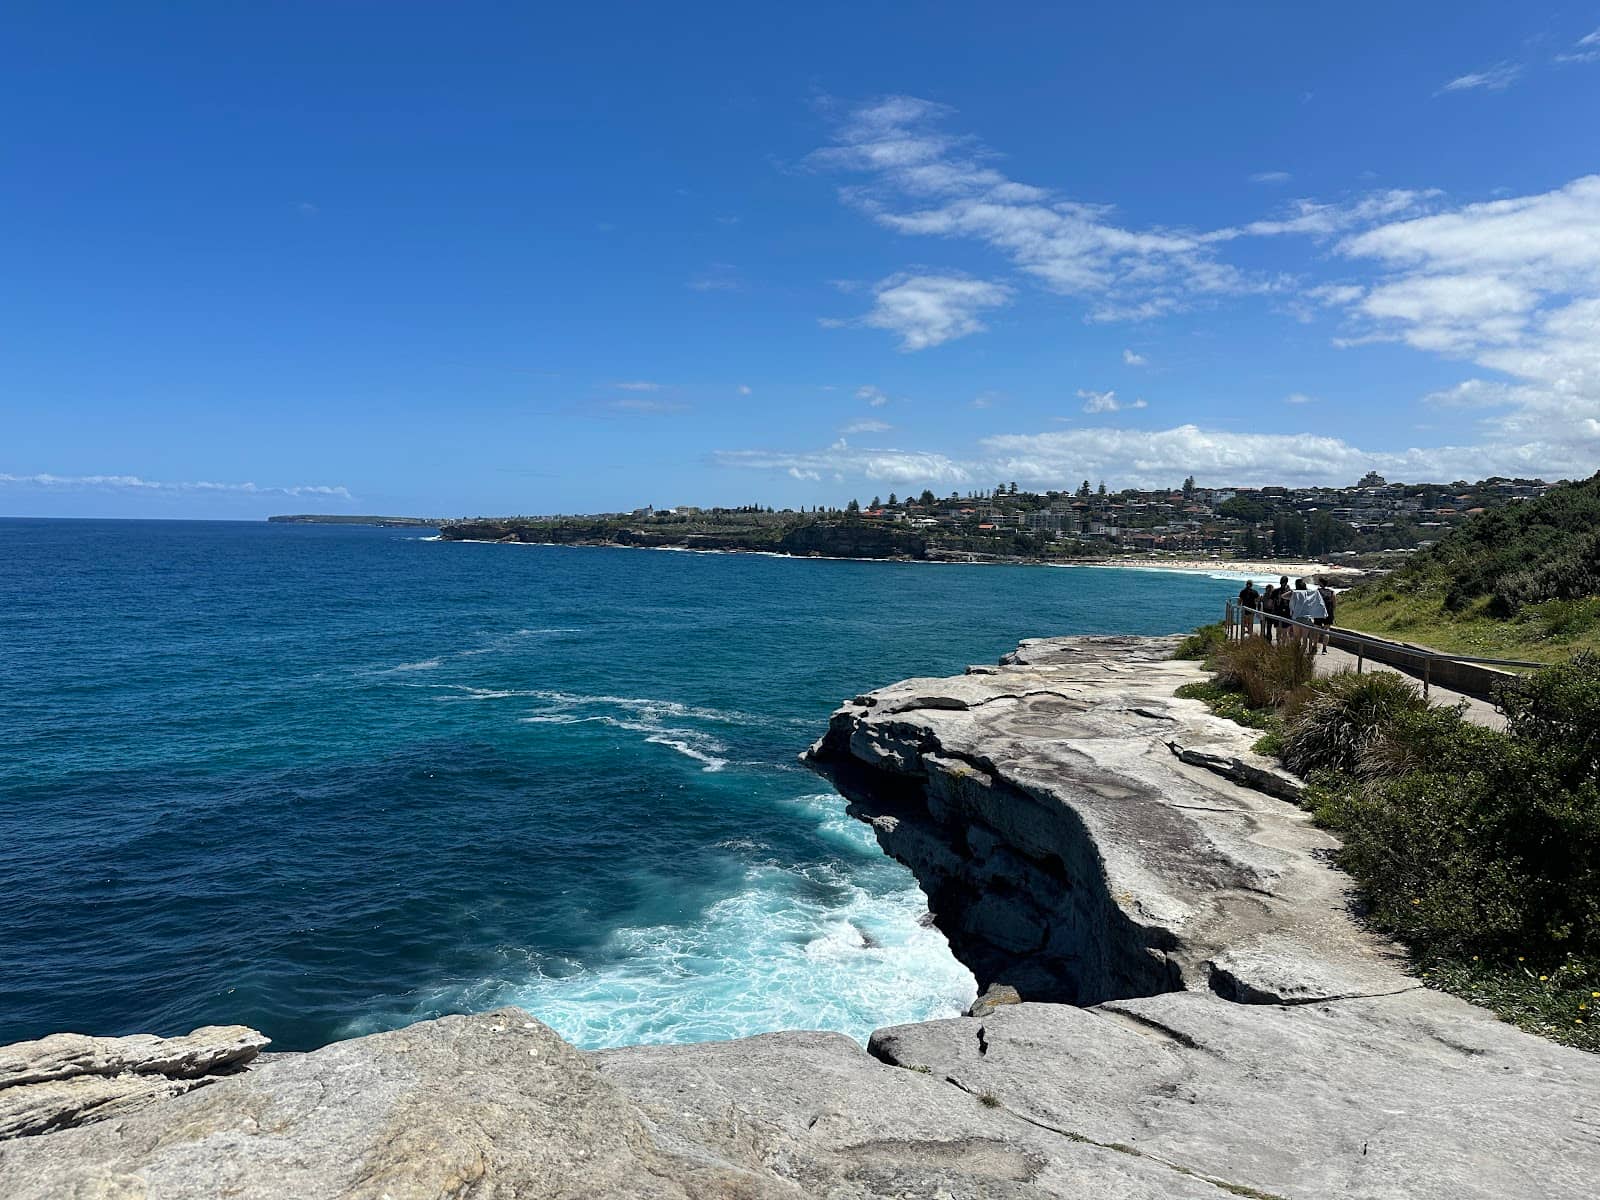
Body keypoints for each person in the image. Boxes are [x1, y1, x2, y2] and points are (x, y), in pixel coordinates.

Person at [1288, 578, 1328, 647]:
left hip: (1296, 617)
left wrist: (1292, 592)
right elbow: (1318, 602)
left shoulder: (1295, 593)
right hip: (1307, 618)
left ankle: (1296, 651)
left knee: (1296, 637)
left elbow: (1283, 596)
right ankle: (1302, 652)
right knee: (1305, 638)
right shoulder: (1309, 593)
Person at [1316, 581, 1338, 654]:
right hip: (1328, 612)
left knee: (1317, 630)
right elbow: (1334, 604)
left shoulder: (1317, 591)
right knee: (1327, 630)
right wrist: (1332, 612)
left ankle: (1314, 647)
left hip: (1318, 612)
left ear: (1320, 584)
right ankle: (1324, 649)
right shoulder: (1332, 592)